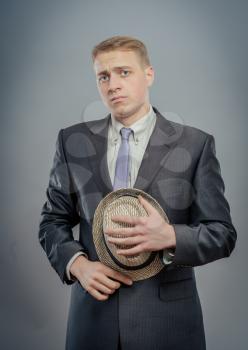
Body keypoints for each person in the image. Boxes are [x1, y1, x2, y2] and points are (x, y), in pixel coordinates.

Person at [38, 36, 237, 350]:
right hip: (92, 322)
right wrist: (77, 264)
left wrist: (170, 236)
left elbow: (222, 234)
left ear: (149, 75)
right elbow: (52, 221)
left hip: (167, 326)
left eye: (124, 72)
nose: (113, 84)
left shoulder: (196, 145)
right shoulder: (71, 141)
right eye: (103, 76)